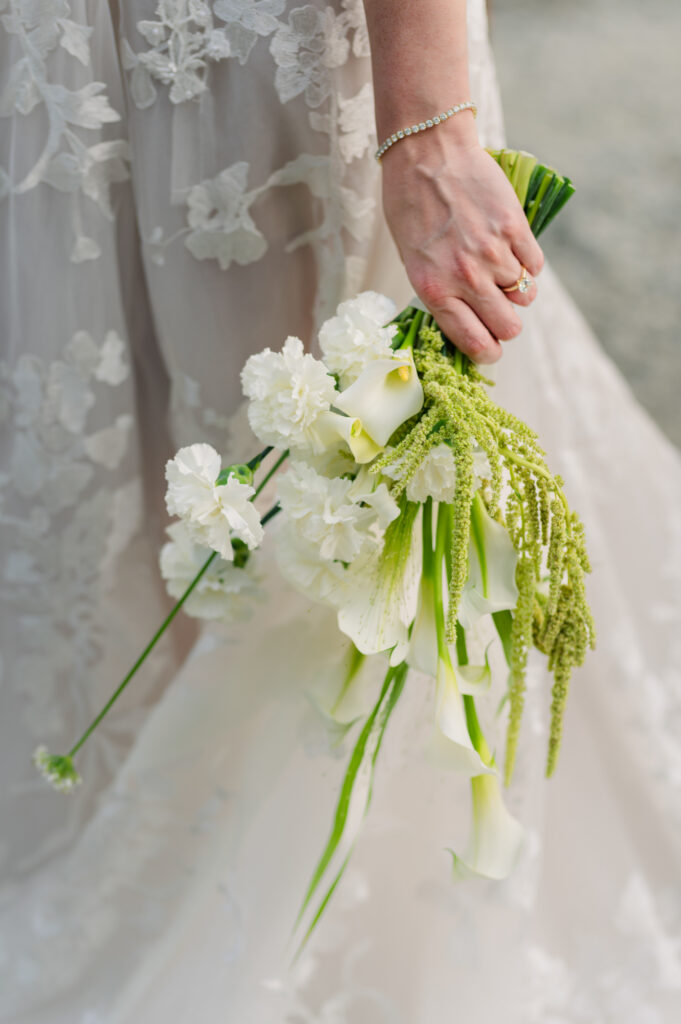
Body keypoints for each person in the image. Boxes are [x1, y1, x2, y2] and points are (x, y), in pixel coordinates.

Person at [1, 1, 680, 1021]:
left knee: (308, 469)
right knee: (96, 453)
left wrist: (431, 127)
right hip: (55, 59)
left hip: (257, 70)